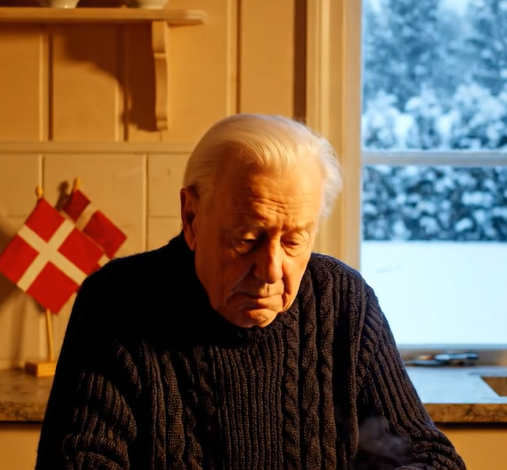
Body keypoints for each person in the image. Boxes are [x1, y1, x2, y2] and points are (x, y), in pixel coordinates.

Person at [35, 114, 466, 470]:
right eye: (246, 239)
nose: (271, 271)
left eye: (294, 241)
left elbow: (431, 458)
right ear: (191, 217)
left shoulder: (342, 300)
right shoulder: (117, 301)